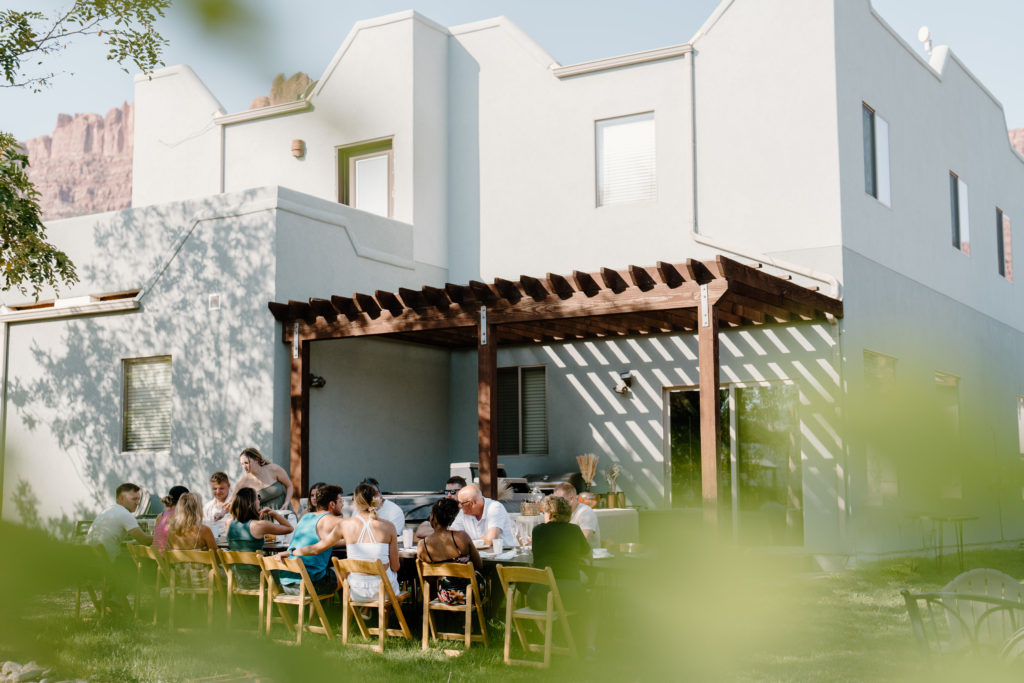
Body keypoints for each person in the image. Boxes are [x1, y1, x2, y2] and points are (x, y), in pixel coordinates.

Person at [293, 482, 399, 602]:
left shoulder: (345, 525)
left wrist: (293, 551)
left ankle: (360, 613)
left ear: (355, 503)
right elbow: (395, 567)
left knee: (346, 571)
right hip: (383, 592)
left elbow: (316, 548)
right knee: (390, 574)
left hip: (355, 592)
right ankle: (383, 618)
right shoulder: (389, 527)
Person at [85, 482, 153, 610]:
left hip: (89, 563)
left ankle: (112, 600)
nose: (137, 503)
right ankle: (115, 598)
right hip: (105, 564)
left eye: (138, 499)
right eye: (134, 499)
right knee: (140, 567)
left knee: (127, 560)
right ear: (121, 498)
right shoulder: (125, 514)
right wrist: (162, 538)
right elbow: (143, 540)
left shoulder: (108, 510)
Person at [276, 484, 344, 596]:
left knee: (326, 570)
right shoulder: (335, 520)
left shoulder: (306, 517)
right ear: (332, 504)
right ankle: (351, 612)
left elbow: (321, 542)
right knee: (348, 570)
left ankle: (315, 612)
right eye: (340, 501)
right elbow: (356, 537)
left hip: (286, 583)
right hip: (309, 586)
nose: (342, 505)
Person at [417, 497, 483, 605]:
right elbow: (478, 564)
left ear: (432, 516)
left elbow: (428, 578)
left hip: (444, 595)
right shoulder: (461, 537)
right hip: (470, 593)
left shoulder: (422, 545)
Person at [529, 495, 590, 611]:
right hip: (568, 595)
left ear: (550, 514)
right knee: (587, 598)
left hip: (538, 596)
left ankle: (544, 629)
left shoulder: (537, 531)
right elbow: (587, 554)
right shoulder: (574, 530)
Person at [226, 487, 294, 589]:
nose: (259, 500)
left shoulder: (229, 522)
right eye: (257, 497)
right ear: (252, 503)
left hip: (239, 579)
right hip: (261, 580)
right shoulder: (259, 525)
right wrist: (273, 513)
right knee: (291, 570)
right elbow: (289, 528)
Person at [167, 492, 218, 588]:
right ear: (197, 509)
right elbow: (216, 557)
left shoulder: (171, 531)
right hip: (203, 580)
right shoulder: (203, 530)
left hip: (181, 581)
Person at [553, 482, 601, 549]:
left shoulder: (586, 512)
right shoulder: (560, 512)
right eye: (555, 501)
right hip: (569, 554)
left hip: (588, 556)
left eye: (560, 501)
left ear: (571, 499)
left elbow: (584, 541)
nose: (557, 504)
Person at [153, 485, 189, 552]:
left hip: (157, 557)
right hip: (169, 559)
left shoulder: (160, 516)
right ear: (185, 500)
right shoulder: (181, 516)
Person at [203, 472, 231, 538]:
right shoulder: (207, 507)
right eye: (214, 489)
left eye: (221, 488)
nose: (218, 492)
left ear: (228, 486)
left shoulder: (237, 503)